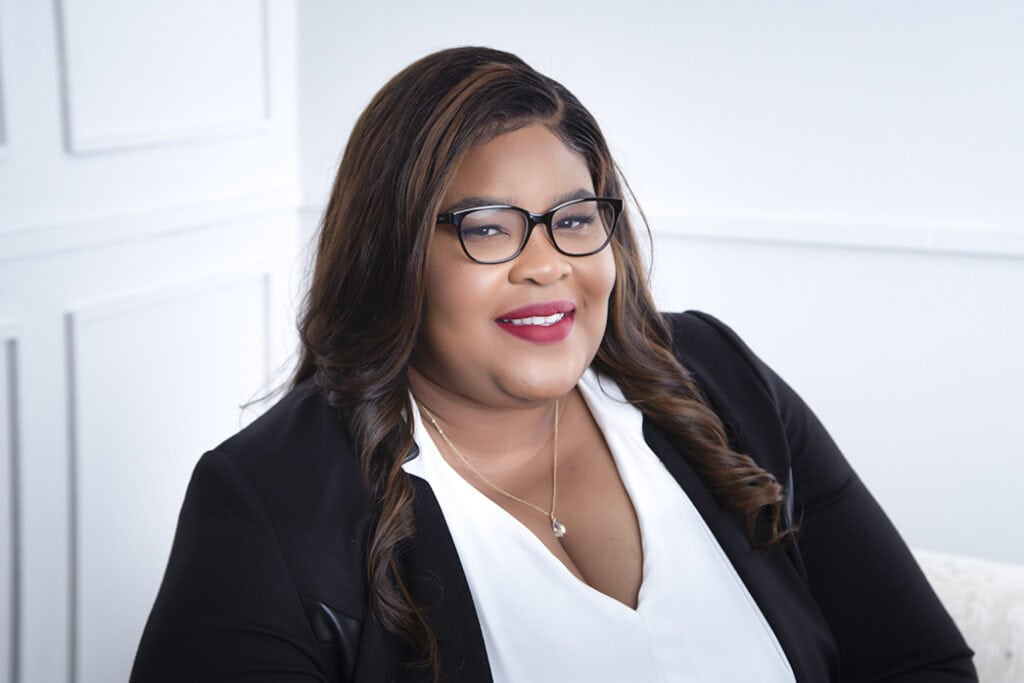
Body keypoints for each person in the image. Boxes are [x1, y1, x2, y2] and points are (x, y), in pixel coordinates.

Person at [131, 47, 976, 682]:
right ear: (392, 256)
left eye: (574, 219)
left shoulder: (718, 378)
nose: (547, 264)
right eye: (490, 227)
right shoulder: (267, 505)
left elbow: (919, 662)